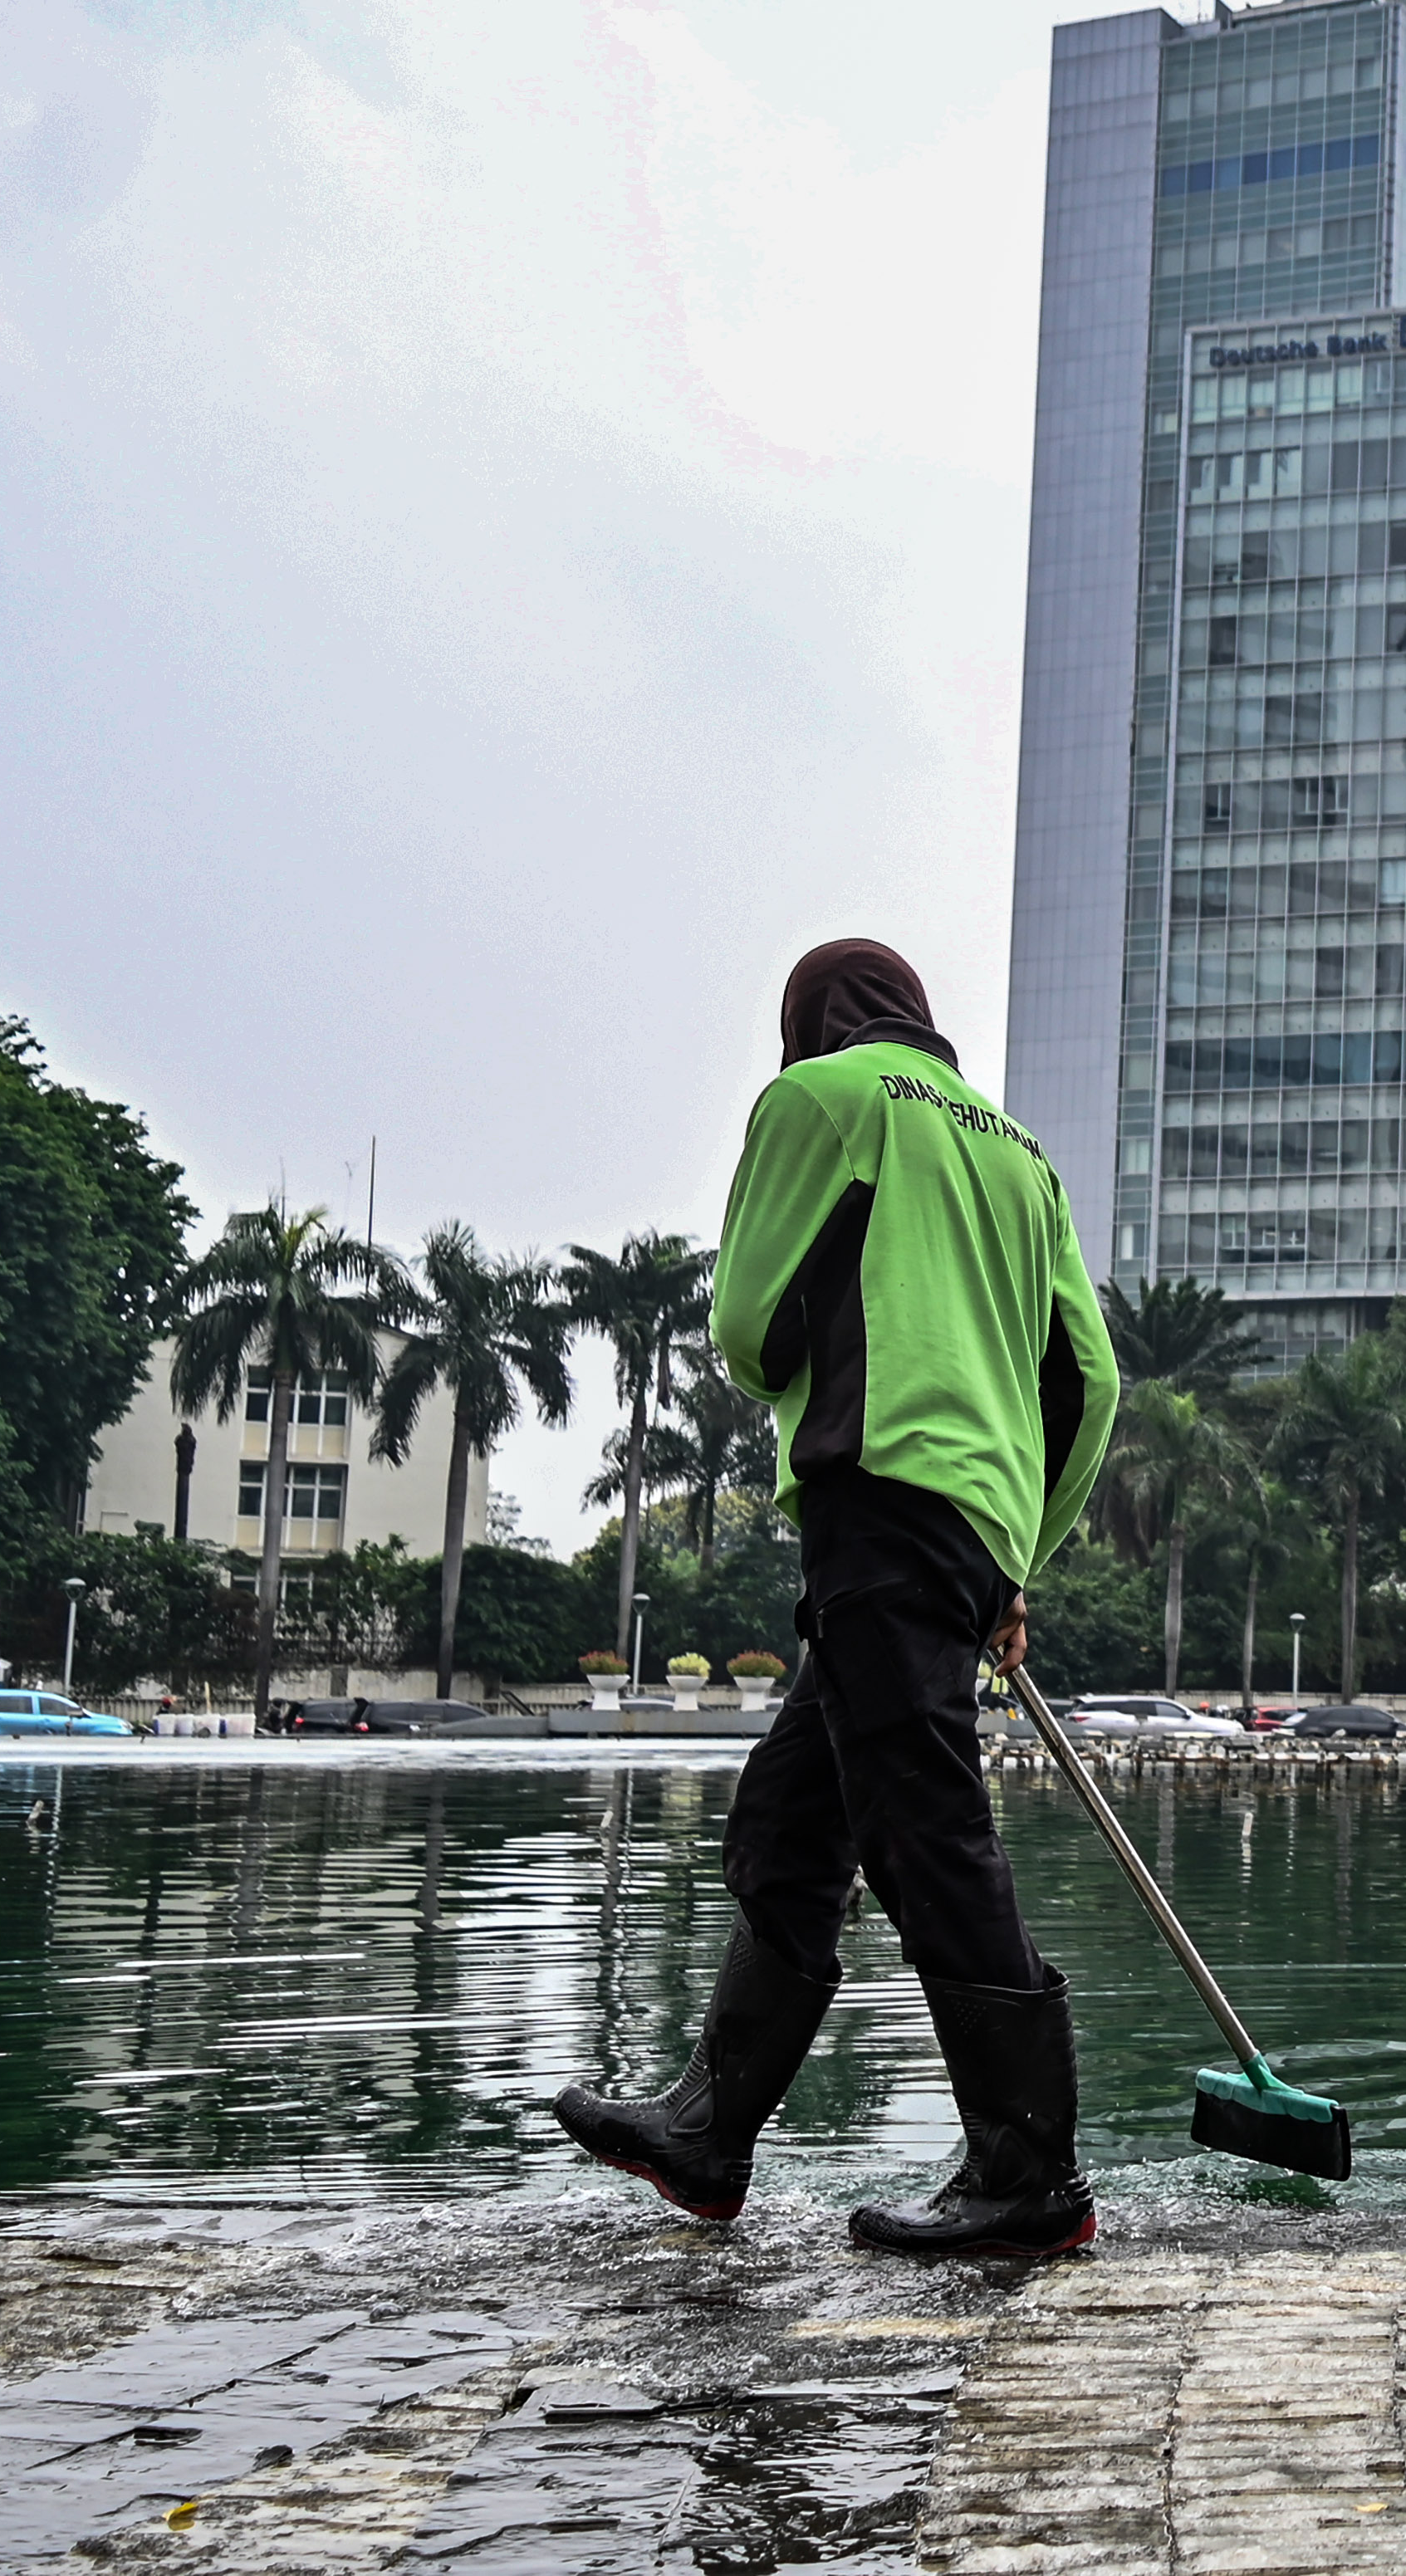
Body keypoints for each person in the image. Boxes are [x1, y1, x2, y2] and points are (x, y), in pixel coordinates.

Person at [557, 939, 1121, 2256]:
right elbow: (1087, 1382)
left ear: (808, 1019)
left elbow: (746, 1328)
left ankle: (1028, 2173)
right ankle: (710, 2131)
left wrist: (823, 1343)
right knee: (792, 1816)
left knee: (923, 1821)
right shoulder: (1020, 1152)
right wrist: (1015, 1552)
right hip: (974, 1521)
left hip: (876, 1496)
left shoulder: (822, 1097)